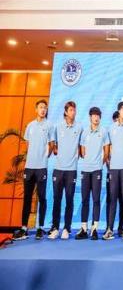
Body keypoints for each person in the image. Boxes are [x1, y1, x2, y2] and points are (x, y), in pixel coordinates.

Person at [13, 99, 55, 241]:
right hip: (29, 168)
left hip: (41, 167)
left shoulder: (49, 125)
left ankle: (40, 227)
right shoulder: (30, 126)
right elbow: (28, 144)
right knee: (27, 198)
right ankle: (24, 228)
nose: (43, 110)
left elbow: (51, 144)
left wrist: (44, 157)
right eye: (41, 107)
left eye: (45, 108)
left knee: (42, 198)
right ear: (36, 109)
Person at [48, 101, 83, 240]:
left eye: (74, 110)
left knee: (69, 199)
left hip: (71, 170)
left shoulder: (79, 127)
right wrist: (58, 152)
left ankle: (67, 228)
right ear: (66, 112)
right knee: (57, 199)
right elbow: (53, 144)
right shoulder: (58, 126)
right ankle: (55, 228)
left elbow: (81, 146)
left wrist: (74, 155)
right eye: (71, 110)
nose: (73, 112)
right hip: (58, 169)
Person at [103, 101, 123, 240]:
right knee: (112, 199)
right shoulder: (111, 128)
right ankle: (109, 229)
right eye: (122, 109)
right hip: (114, 168)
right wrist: (109, 163)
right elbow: (108, 147)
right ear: (118, 111)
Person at [76, 107, 109, 240]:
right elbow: (82, 151)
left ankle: (94, 228)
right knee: (85, 199)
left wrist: (99, 163)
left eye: (98, 116)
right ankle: (84, 228)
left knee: (96, 199)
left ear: (100, 118)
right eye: (94, 115)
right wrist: (88, 161)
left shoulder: (103, 131)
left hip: (97, 170)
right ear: (90, 117)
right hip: (85, 170)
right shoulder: (85, 132)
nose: (96, 118)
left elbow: (106, 150)